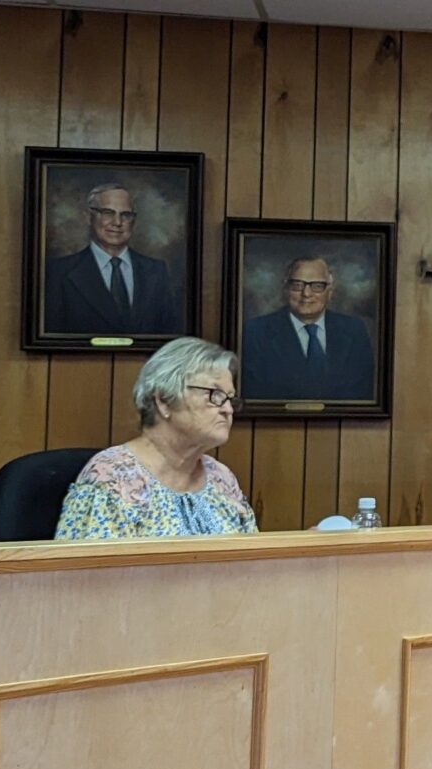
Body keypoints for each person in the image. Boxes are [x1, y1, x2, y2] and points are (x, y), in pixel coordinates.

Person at [55, 337, 259, 539]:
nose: (228, 409)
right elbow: (89, 561)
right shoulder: (111, 479)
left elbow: (255, 554)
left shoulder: (221, 478)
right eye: (215, 394)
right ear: (164, 401)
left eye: (230, 398)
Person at [41, 182, 186, 336]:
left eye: (126, 215)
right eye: (107, 213)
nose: (117, 222)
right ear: (88, 217)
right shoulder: (59, 272)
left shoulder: (156, 271)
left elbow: (169, 334)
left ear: (133, 220)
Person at [239, 255, 376, 402]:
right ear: (286, 288)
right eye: (297, 285)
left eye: (317, 286)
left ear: (330, 291)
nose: (306, 294)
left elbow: (364, 391)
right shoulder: (255, 332)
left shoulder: (354, 330)